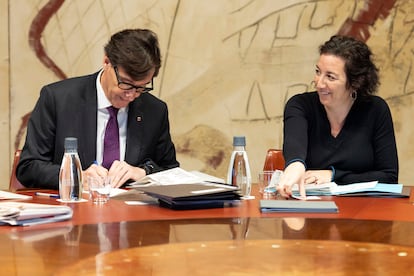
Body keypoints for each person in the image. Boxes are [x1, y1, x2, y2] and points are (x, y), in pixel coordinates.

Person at [16, 29, 179, 189]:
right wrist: (77, 176)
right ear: (107, 62)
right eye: (125, 83)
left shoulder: (155, 110)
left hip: (132, 211)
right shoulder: (58, 99)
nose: (131, 95)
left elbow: (171, 170)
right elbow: (28, 167)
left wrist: (143, 172)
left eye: (141, 88)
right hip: (74, 209)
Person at [277, 35, 398, 198]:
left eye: (330, 77)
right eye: (318, 72)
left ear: (355, 82)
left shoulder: (375, 110)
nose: (319, 83)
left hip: (363, 213)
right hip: (311, 209)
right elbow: (294, 147)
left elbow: (389, 178)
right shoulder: (300, 105)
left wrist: (333, 175)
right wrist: (295, 165)